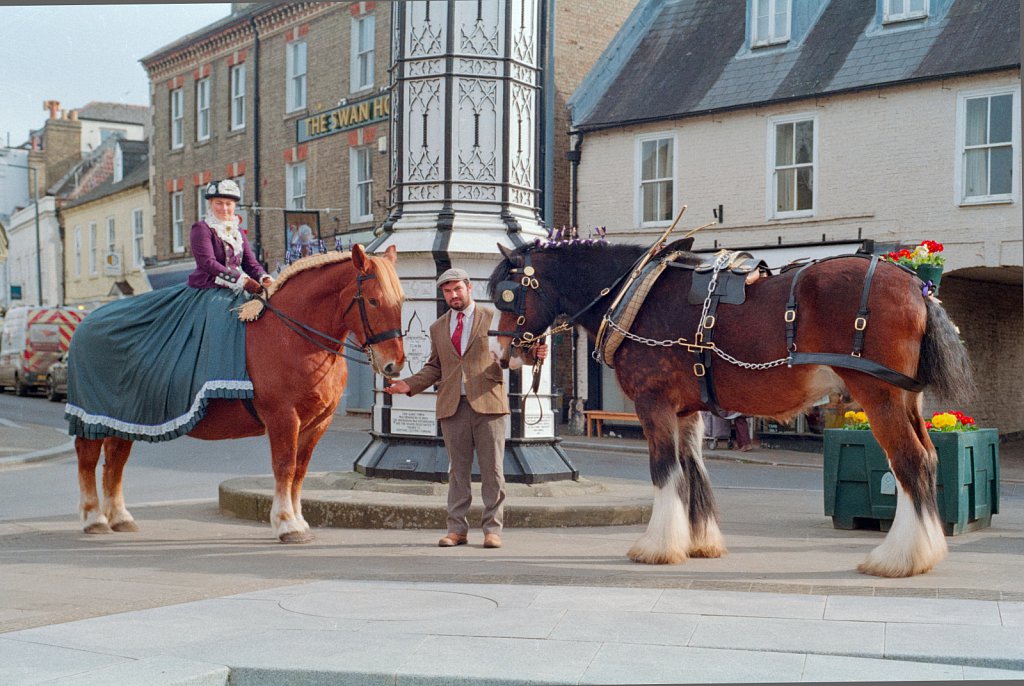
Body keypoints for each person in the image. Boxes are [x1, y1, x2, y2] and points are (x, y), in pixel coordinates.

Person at [65, 179, 273, 442]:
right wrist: (242, 281)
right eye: (219, 203)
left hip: (236, 290)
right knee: (220, 320)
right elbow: (208, 264)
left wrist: (265, 278)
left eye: (229, 204)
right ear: (210, 204)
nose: (224, 208)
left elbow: (251, 262)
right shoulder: (202, 229)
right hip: (208, 292)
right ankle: (207, 383)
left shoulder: (237, 231)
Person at [384, 268, 547, 549]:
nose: (453, 295)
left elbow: (513, 353)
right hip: (452, 407)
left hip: (488, 404)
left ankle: (492, 530)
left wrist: (534, 355)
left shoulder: (492, 318)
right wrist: (407, 385)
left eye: (457, 289)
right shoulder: (438, 327)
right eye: (447, 291)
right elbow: (434, 367)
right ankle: (456, 530)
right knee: (457, 473)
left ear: (469, 288)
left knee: (492, 471)